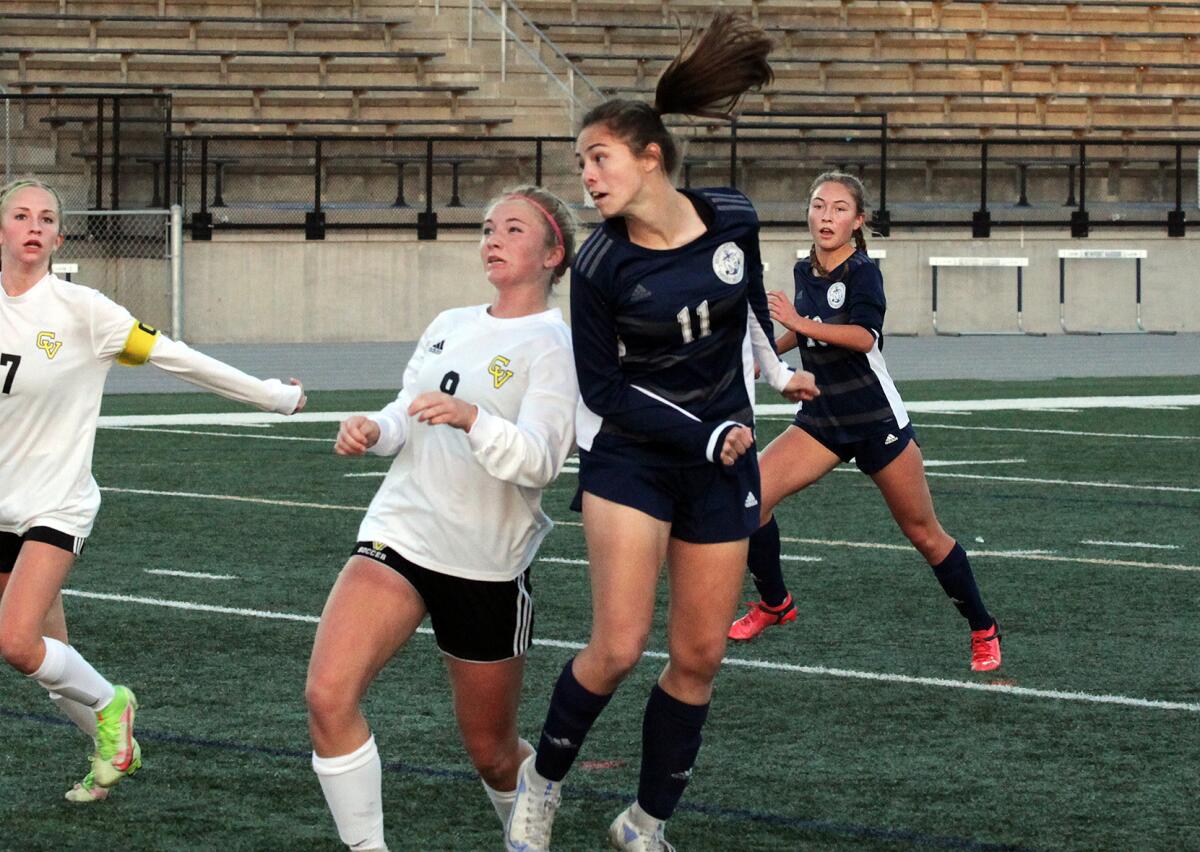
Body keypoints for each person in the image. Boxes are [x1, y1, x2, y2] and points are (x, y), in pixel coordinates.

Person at [504, 15, 819, 852]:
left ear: (650, 157)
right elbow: (604, 390)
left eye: (597, 158)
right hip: (636, 461)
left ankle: (644, 825)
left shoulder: (734, 218)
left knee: (699, 657)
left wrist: (777, 375)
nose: (586, 176)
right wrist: (703, 430)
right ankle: (541, 787)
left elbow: (748, 309)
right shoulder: (601, 264)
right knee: (615, 647)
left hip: (724, 459)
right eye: (579, 164)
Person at [0, 177, 307, 803]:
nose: (33, 226)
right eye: (20, 215)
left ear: (60, 236)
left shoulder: (85, 311)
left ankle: (116, 703)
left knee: (13, 641)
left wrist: (273, 395)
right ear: (1, 228)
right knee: (51, 656)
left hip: (57, 505)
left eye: (46, 218)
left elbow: (178, 357)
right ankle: (115, 747)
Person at [304, 185, 579, 852]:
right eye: (488, 227)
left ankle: (528, 830)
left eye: (513, 229)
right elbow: (408, 408)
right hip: (401, 533)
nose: (493, 238)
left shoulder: (556, 345)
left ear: (553, 253)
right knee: (326, 696)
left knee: (489, 750)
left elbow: (540, 461)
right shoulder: (450, 320)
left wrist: (473, 419)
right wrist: (376, 427)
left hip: (487, 563)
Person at [726, 171, 1003, 674]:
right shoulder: (803, 269)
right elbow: (801, 334)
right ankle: (775, 603)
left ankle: (983, 627)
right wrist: (760, 357)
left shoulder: (863, 272)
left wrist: (796, 323)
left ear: (858, 221)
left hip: (876, 420)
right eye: (817, 206)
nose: (825, 216)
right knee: (751, 496)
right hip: (822, 419)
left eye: (837, 208)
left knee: (924, 534)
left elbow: (863, 337)